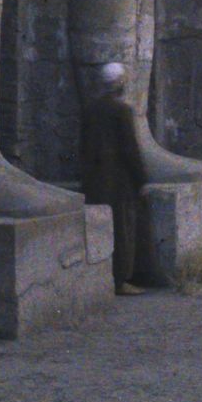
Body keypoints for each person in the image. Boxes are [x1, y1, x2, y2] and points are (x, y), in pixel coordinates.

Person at [78, 62, 148, 295]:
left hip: (95, 179)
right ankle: (120, 280)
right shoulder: (122, 110)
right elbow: (131, 148)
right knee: (121, 230)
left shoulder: (91, 108)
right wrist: (142, 178)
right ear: (119, 83)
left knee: (99, 228)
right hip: (119, 180)